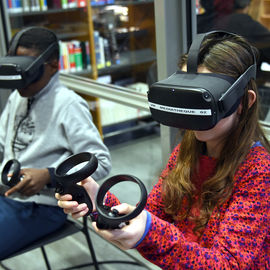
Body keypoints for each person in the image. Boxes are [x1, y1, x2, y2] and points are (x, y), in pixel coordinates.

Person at [56, 32, 270, 269]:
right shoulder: (187, 153)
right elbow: (151, 216)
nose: (193, 113)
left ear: (244, 102)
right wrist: (100, 199)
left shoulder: (259, 172)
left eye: (204, 99)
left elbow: (227, 265)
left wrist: (148, 231)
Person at [0, 27, 111, 259]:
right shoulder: (17, 98)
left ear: (52, 65)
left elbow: (101, 162)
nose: (20, 81)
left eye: (27, 70)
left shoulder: (68, 105)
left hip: (44, 207)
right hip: (9, 195)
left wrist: (50, 176)